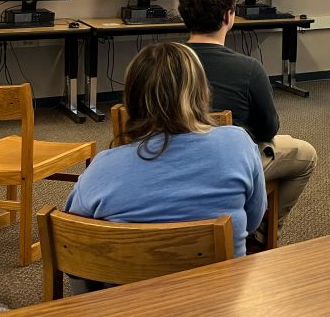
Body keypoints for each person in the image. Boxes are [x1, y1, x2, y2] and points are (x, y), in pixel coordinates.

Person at [65, 43, 265, 260]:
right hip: (226, 289)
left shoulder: (101, 169)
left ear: (131, 97)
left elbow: (72, 241)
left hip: (130, 292)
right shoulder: (238, 143)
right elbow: (253, 220)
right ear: (201, 92)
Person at [179, 0, 317, 244]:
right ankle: (263, 234)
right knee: (306, 155)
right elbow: (268, 129)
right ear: (229, 17)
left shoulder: (160, 65)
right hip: (229, 165)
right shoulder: (248, 68)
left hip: (170, 161)